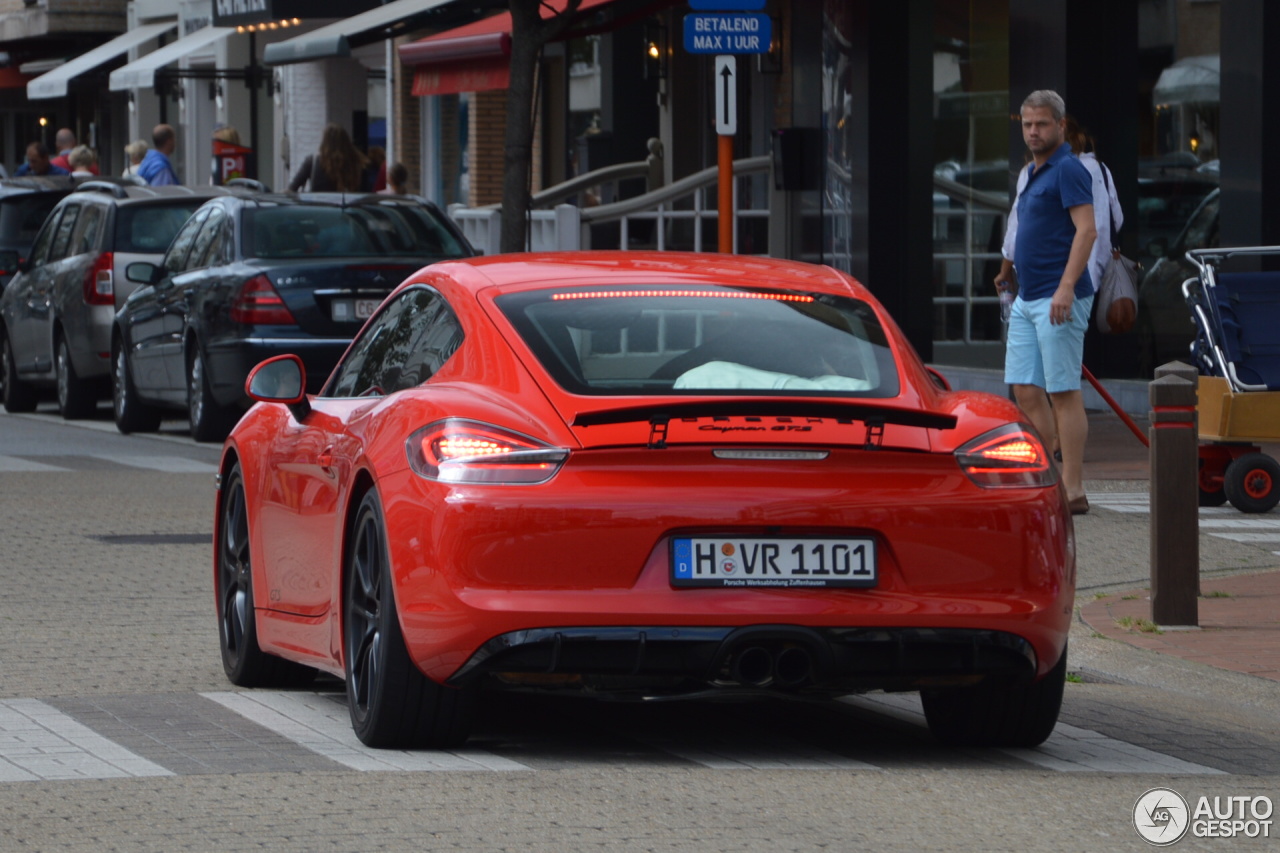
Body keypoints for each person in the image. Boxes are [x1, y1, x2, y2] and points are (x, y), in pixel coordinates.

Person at [994, 90, 1097, 515]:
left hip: (1060, 297)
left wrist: (1066, 286)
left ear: (1060, 125)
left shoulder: (1068, 168)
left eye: (1041, 124)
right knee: (1024, 389)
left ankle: (1072, 489)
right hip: (1028, 295)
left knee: (1063, 391)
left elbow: (1087, 230)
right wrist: (1008, 270)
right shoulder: (1033, 171)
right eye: (1027, 124)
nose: (1033, 131)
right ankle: (1049, 478)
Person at [1001, 115, 1123, 305]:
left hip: (1046, 280)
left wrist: (1005, 269)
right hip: (1091, 276)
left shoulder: (1034, 172)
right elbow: (1116, 219)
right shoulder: (1099, 169)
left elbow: (1017, 228)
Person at [288, 124, 372, 193]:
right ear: (346, 142)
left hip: (319, 210)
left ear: (324, 142)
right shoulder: (356, 162)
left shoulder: (312, 161)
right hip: (347, 210)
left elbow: (292, 188)